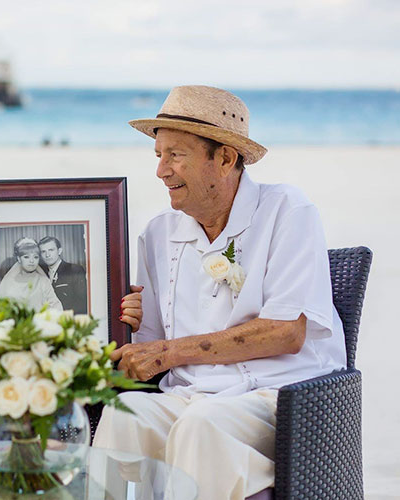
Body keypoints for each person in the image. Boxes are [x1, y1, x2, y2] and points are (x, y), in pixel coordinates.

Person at [99, 86, 347, 500]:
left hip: (279, 399)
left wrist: (172, 352)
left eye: (175, 155)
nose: (161, 171)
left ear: (226, 158)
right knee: (124, 415)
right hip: (191, 395)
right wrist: (129, 325)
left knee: (202, 425)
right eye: (158, 155)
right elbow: (151, 348)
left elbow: (286, 332)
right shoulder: (157, 233)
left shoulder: (287, 210)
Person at [0, 237, 63, 311]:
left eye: (36, 257)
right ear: (19, 259)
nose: (32, 261)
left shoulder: (43, 281)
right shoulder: (9, 282)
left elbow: (56, 306)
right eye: (26, 257)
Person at [38, 236, 88, 313]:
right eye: (43, 252)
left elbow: (82, 303)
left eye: (51, 250)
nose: (47, 255)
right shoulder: (40, 273)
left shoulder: (74, 270)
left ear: (59, 251)